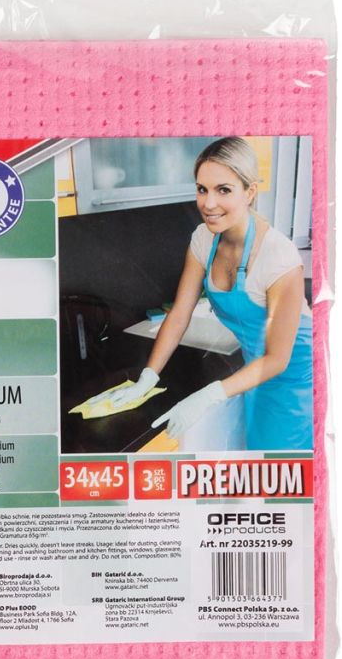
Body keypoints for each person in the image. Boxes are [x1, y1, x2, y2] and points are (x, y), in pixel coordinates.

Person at [91, 136, 313, 450]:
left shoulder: (278, 256)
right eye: (202, 189)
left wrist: (207, 395)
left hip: (294, 376)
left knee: (277, 463)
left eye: (224, 190)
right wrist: (148, 377)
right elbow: (180, 314)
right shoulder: (204, 239)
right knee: (255, 456)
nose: (208, 204)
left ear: (249, 192)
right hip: (253, 371)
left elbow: (277, 358)